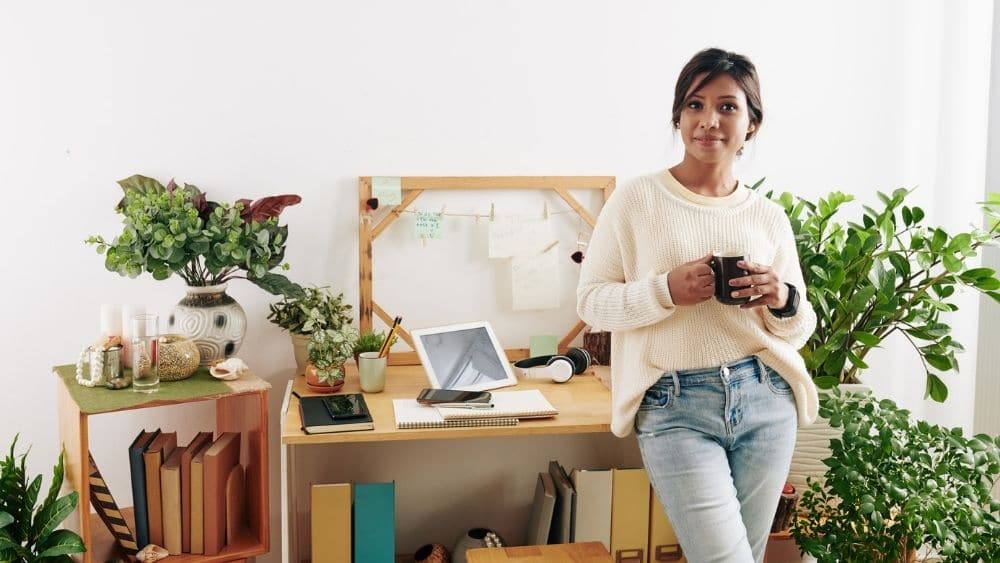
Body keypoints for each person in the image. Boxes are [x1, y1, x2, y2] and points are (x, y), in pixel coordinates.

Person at [576, 47, 818, 563]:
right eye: (695, 104)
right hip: (675, 404)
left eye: (727, 107)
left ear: (752, 123)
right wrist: (665, 290)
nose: (709, 121)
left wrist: (781, 297)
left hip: (765, 397)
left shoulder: (768, 216)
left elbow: (798, 328)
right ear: (678, 116)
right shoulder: (636, 200)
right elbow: (592, 304)